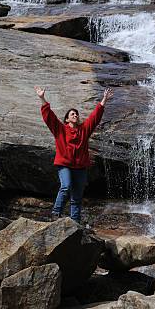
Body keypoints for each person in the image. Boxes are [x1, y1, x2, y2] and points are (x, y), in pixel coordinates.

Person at [34, 85, 113, 223]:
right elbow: (50, 118)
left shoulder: (84, 130)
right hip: (64, 165)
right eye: (72, 114)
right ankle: (56, 213)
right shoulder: (60, 129)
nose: (75, 115)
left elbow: (94, 117)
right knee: (66, 186)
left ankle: (75, 222)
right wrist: (42, 98)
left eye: (76, 114)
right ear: (67, 120)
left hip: (80, 167)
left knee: (77, 196)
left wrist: (104, 100)